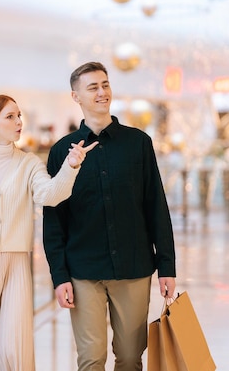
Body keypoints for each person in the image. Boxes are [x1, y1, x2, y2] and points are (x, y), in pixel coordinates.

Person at [0, 94, 97, 371]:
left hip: (16, 265)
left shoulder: (28, 163)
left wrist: (71, 165)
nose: (18, 122)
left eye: (19, 116)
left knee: (15, 347)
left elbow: (50, 195)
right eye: (10, 117)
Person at [43, 62, 176, 371]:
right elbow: (54, 220)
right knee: (91, 359)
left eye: (105, 85)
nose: (102, 92)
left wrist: (166, 265)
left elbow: (156, 205)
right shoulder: (62, 151)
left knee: (130, 358)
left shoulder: (138, 143)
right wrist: (59, 275)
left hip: (134, 267)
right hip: (83, 271)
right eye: (93, 87)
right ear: (76, 96)